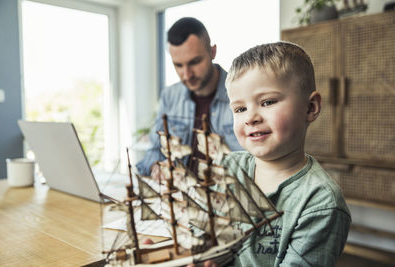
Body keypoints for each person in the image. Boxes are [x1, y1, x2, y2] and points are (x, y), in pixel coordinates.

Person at [217, 41, 351, 266]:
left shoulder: (320, 202)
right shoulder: (227, 168)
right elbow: (201, 232)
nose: (250, 117)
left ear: (310, 108)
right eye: (240, 109)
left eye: (267, 102)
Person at [136, 17, 242, 178]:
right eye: (178, 65)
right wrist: (156, 166)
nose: (187, 75)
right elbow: (155, 150)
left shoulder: (242, 93)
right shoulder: (169, 96)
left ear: (212, 52)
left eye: (195, 62)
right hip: (181, 197)